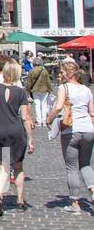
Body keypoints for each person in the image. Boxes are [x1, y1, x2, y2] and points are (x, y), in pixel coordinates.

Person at [0, 60, 34, 215]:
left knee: (2, 166)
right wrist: (31, 139)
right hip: (16, 130)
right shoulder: (20, 92)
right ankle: (20, 201)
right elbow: (25, 117)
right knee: (18, 167)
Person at [46, 57, 94, 215]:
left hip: (71, 130)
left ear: (68, 73)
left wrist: (49, 118)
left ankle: (75, 203)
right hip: (88, 130)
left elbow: (59, 106)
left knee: (72, 167)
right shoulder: (87, 90)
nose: (60, 76)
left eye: (62, 73)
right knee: (86, 164)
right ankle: (93, 188)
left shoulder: (64, 88)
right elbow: (92, 113)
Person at [26, 57, 53, 128]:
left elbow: (29, 83)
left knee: (37, 105)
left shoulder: (31, 71)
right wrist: (50, 89)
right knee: (44, 105)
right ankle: (44, 121)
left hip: (35, 90)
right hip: (44, 90)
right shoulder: (44, 71)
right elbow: (48, 81)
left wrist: (28, 91)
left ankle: (39, 121)